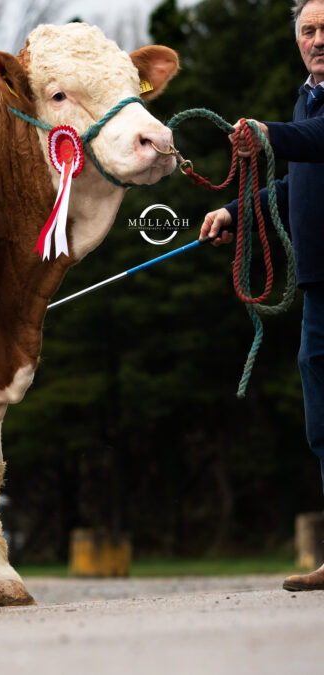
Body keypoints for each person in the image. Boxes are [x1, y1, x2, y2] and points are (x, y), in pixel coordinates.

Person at [201, 0, 324, 591]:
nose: (318, 39)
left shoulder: (309, 117)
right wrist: (233, 210)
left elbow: (316, 141)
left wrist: (272, 133)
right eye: (308, 30)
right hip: (318, 286)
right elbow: (294, 176)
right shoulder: (308, 98)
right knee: (322, 423)